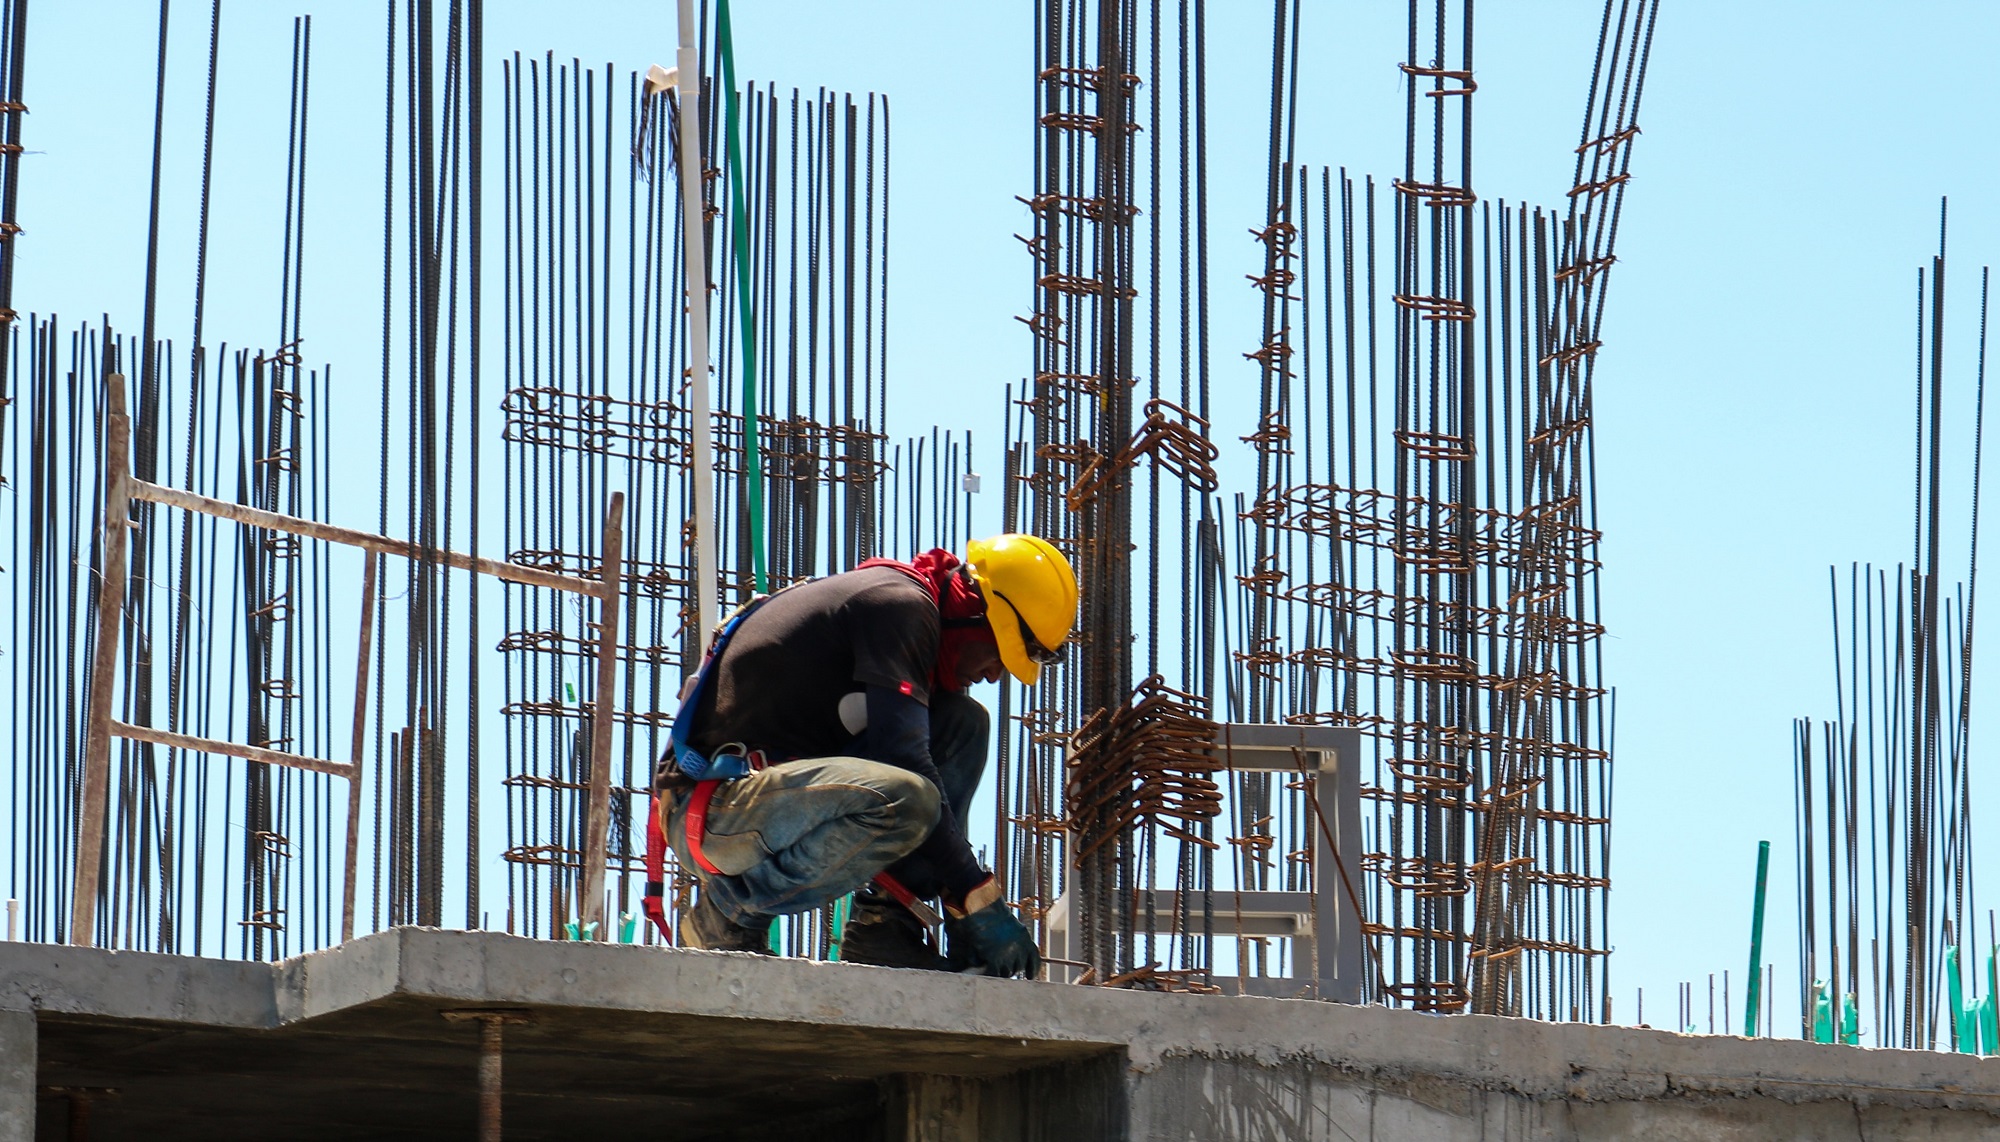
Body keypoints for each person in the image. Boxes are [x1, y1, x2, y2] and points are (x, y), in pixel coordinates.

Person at [652, 533, 1077, 978]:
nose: (993, 675)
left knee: (962, 723)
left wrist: (956, 899)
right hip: (714, 810)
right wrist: (976, 895)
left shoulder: (906, 608)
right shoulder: (899, 606)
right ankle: (730, 913)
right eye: (999, 654)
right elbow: (907, 762)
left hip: (767, 802)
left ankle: (886, 927)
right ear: (975, 616)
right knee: (908, 797)